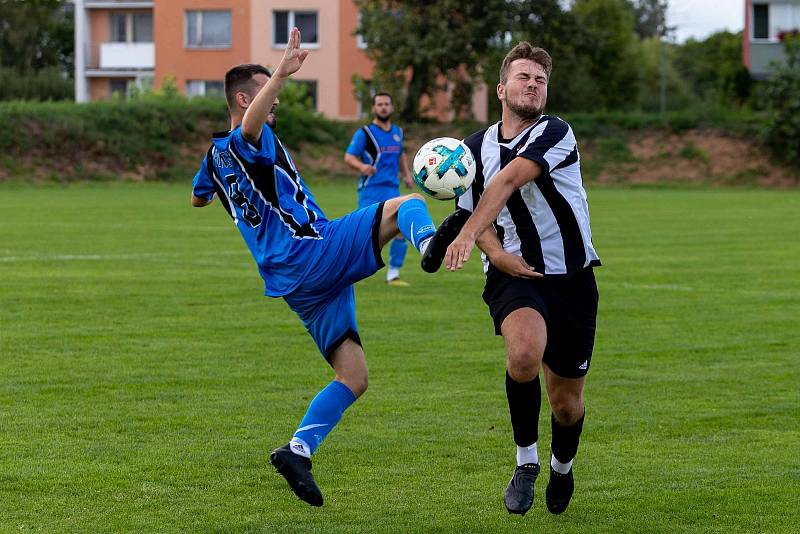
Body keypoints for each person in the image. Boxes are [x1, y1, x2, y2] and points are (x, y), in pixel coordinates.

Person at [190, 28, 447, 507]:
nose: (276, 103)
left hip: (291, 283)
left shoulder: (213, 154)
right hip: (311, 251)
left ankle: (297, 451)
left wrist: (230, 196)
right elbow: (247, 129)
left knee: (353, 376)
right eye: (267, 92)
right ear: (246, 98)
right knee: (406, 205)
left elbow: (197, 197)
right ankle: (431, 244)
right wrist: (284, 72)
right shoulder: (251, 137)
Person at [423, 42, 601, 516]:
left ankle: (563, 467)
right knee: (523, 354)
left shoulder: (556, 132)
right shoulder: (473, 148)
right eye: (524, 77)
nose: (533, 85)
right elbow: (472, 205)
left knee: (566, 404)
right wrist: (495, 252)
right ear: (501, 88)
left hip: (572, 279)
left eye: (540, 80)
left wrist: (463, 231)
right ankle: (526, 462)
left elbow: (504, 184)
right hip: (514, 275)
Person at [344, 92, 414, 286]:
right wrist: (362, 167)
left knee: (401, 230)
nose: (383, 107)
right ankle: (348, 272)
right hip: (370, 191)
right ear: (374, 108)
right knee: (363, 235)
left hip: (392, 190)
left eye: (386, 104)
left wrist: (406, 176)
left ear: (392, 107)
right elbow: (349, 157)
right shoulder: (365, 133)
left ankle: (393, 274)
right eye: (379, 104)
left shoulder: (397, 132)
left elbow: (400, 156)